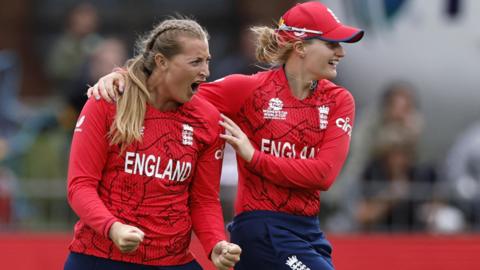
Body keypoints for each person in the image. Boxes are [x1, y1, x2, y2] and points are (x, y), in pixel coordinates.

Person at [88, 2, 364, 269]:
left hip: (309, 230)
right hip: (261, 226)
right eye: (332, 44)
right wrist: (123, 76)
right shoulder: (248, 90)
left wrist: (254, 158)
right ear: (301, 47)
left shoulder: (339, 100)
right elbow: (169, 88)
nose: (340, 52)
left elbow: (323, 175)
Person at [65, 18, 241, 270]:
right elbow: (80, 186)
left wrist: (217, 244)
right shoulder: (107, 100)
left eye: (207, 61)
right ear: (161, 62)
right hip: (101, 258)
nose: (206, 71)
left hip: (172, 262)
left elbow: (204, 200)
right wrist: (112, 228)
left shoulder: (207, 118)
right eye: (195, 62)